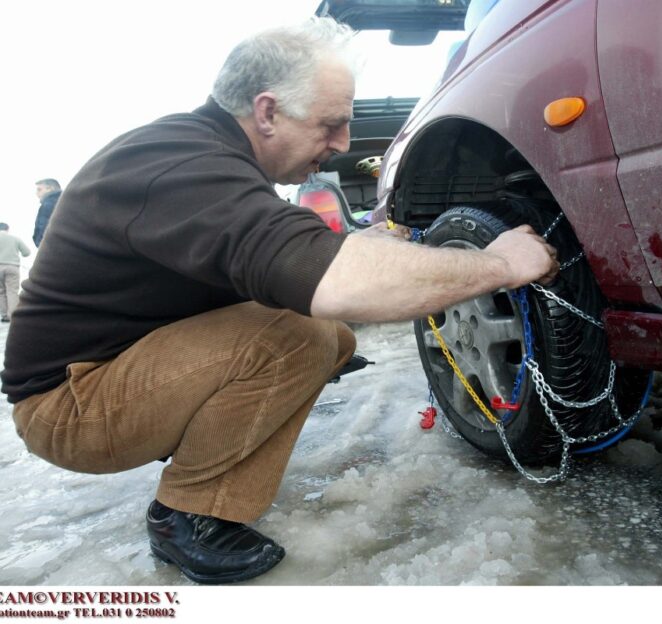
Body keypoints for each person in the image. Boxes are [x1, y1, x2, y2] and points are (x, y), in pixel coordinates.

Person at [1, 17, 558, 584]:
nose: (342, 143)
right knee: (300, 338)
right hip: (69, 405)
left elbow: (272, 264)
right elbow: (335, 285)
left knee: (329, 340)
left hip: (114, 370)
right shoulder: (179, 163)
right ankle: (190, 515)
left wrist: (351, 247)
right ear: (267, 112)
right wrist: (501, 264)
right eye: (332, 124)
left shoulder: (205, 155)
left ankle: (200, 465)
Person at [0, 223, 31, 322]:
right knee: (12, 291)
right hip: (12, 267)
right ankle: (12, 315)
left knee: (1, 291)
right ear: (7, 229)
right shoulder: (15, 239)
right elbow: (27, 252)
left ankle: (4, 315)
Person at [33, 178, 61, 247]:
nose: (36, 193)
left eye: (39, 189)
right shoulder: (65, 202)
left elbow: (43, 228)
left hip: (51, 248)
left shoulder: (48, 204)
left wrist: (40, 244)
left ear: (49, 188)